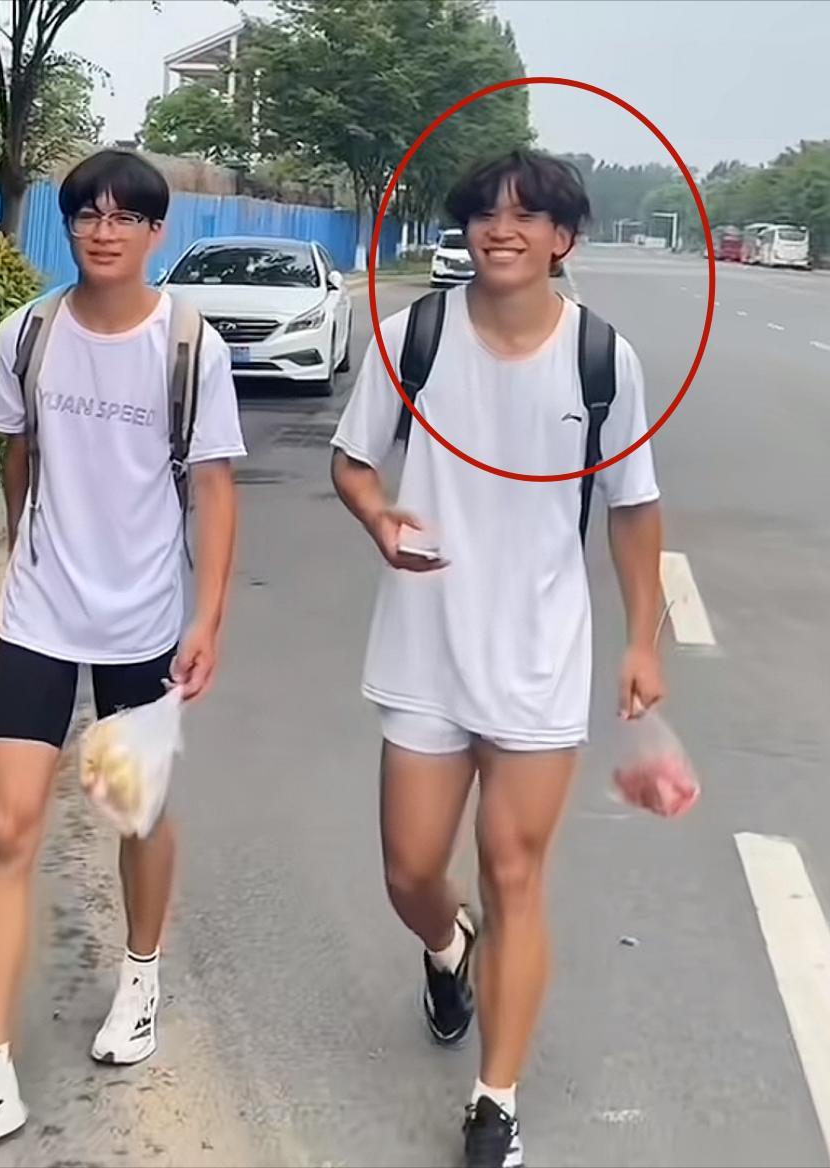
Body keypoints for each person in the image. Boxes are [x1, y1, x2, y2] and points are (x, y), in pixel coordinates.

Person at [330, 149, 663, 1168]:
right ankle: (447, 944)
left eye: (527, 215)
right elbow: (352, 462)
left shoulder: (601, 359)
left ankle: (495, 1102)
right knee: (409, 870)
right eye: (485, 213)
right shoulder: (415, 337)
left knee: (513, 872)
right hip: (424, 646)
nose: (501, 229)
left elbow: (634, 507)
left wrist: (641, 640)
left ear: (563, 238)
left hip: (538, 654)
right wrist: (378, 518)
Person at [0, 149, 245, 1164]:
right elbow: (18, 457)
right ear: (68, 228)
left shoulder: (188, 345)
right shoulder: (28, 333)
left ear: (156, 233)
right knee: (6, 826)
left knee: (128, 810)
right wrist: (26, 556)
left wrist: (206, 618)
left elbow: (215, 488)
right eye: (87, 214)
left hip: (143, 622)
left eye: (124, 216)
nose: (104, 230)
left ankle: (141, 975)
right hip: (41, 617)